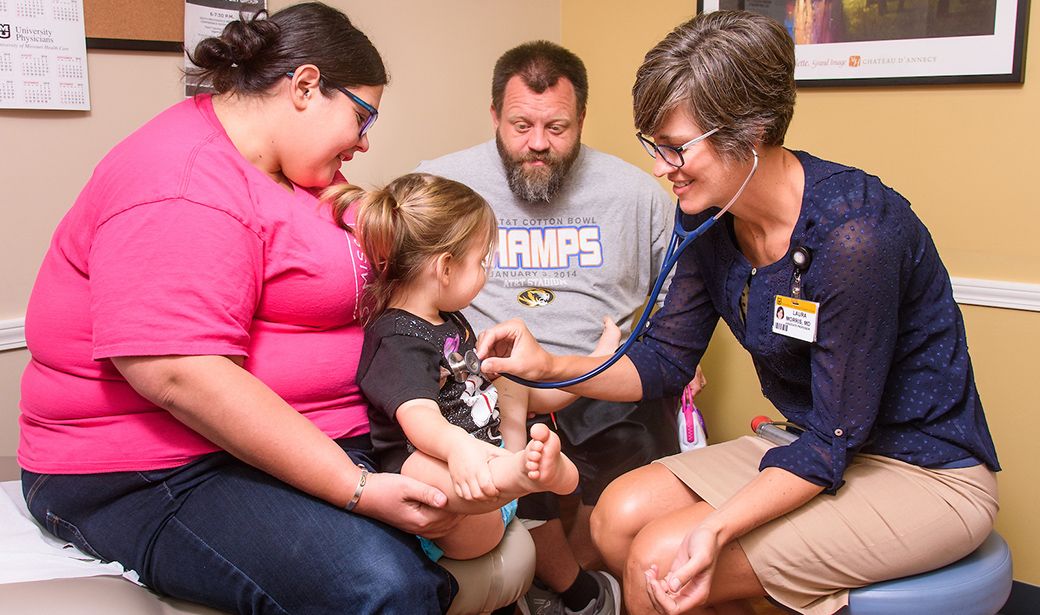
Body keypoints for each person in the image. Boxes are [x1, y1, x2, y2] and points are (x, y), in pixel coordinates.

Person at [474, 11, 1000, 615]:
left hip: (922, 470)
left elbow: (834, 438)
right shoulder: (710, 213)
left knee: (659, 557)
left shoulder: (857, 237)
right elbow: (665, 359)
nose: (659, 169)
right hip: (818, 444)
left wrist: (717, 528)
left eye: (675, 149)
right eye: (654, 146)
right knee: (616, 519)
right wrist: (550, 366)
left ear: (748, 131)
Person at [17, 4, 460, 613]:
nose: (364, 142)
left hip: (302, 436)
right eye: (362, 117)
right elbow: (180, 373)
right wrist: (356, 487)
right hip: (151, 468)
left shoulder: (291, 173)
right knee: (382, 585)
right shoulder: (182, 179)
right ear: (304, 86)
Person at [417, 40, 698, 615]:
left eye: (557, 126)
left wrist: (678, 365)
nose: (538, 143)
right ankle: (570, 593)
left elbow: (679, 306)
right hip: (487, 382)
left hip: (604, 379)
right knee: (502, 444)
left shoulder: (640, 195)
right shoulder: (441, 187)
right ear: (494, 115)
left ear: (582, 120)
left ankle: (581, 587)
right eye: (520, 125)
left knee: (629, 472)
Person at [326, 173, 583, 563]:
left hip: (486, 457)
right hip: (459, 489)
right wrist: (460, 447)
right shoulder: (397, 340)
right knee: (418, 468)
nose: (486, 272)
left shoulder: (447, 317)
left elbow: (469, 381)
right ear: (445, 268)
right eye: (480, 261)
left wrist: (498, 372)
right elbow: (419, 419)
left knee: (509, 375)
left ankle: (528, 464)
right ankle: (526, 475)